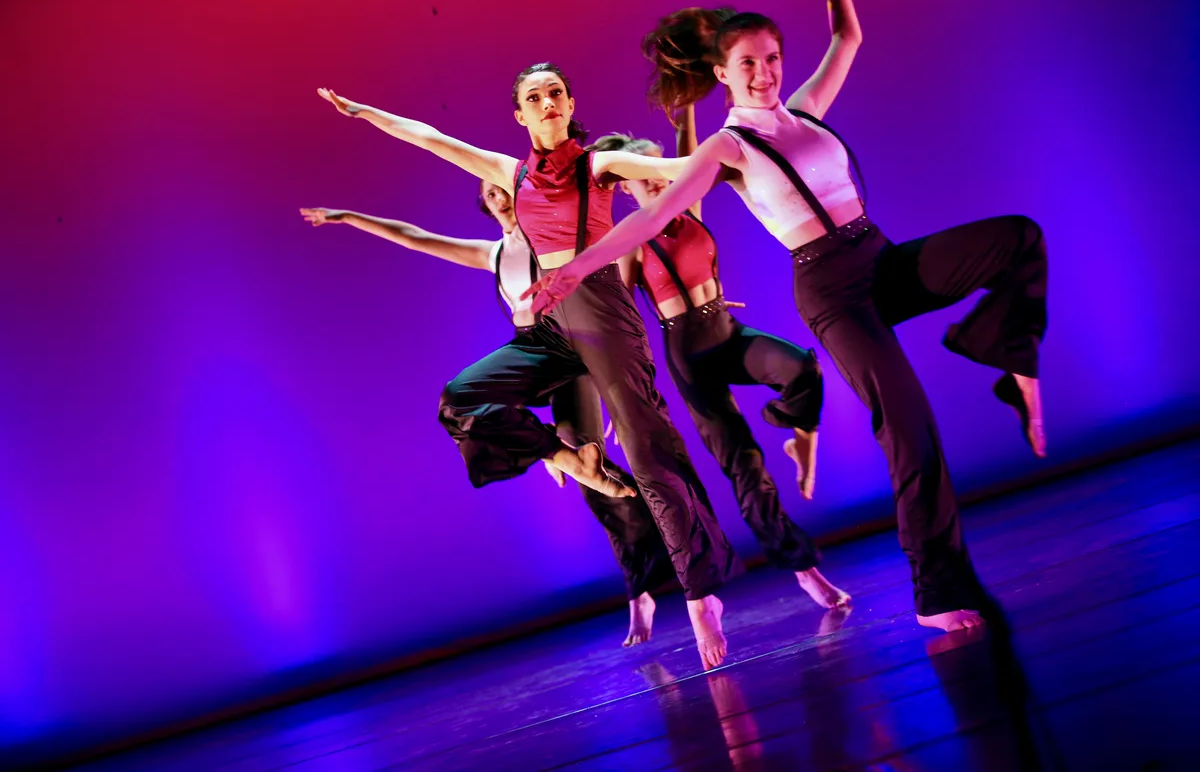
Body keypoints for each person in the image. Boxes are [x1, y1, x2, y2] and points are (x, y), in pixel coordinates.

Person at [524, 0, 1048, 633]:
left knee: (1018, 239)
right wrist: (578, 268)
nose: (766, 73)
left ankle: (1007, 353)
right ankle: (938, 594)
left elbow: (847, 35)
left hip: (880, 258)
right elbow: (649, 223)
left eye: (773, 59)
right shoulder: (726, 147)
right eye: (749, 64)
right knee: (910, 432)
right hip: (833, 290)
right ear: (722, 72)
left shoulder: (802, 109)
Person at [317, 61, 741, 669]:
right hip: (547, 322)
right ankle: (564, 455)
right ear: (520, 114)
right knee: (460, 397)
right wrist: (365, 114)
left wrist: (726, 144)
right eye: (534, 98)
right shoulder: (508, 172)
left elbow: (672, 171)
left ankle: (700, 596)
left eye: (556, 94)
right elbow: (432, 140)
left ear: (569, 104)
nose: (547, 103)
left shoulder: (598, 164)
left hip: (599, 309)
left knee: (648, 451)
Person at [298, 184, 674, 646]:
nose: (498, 192)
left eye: (505, 186)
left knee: (600, 483)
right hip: (536, 355)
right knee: (461, 403)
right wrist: (350, 215)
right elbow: (415, 237)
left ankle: (641, 584)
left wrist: (616, 387)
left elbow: (610, 299)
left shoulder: (554, 241)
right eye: (489, 190)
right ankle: (557, 456)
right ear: (486, 204)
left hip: (575, 358)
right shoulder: (493, 254)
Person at [590, 104, 849, 610]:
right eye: (646, 182)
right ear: (628, 186)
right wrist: (619, 401)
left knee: (802, 367)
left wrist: (684, 99)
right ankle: (806, 571)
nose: (661, 186)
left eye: (665, 175)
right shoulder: (633, 246)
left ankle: (796, 436)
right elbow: (624, 327)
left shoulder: (693, 211)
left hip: (727, 332)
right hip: (690, 357)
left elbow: (691, 147)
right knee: (746, 468)